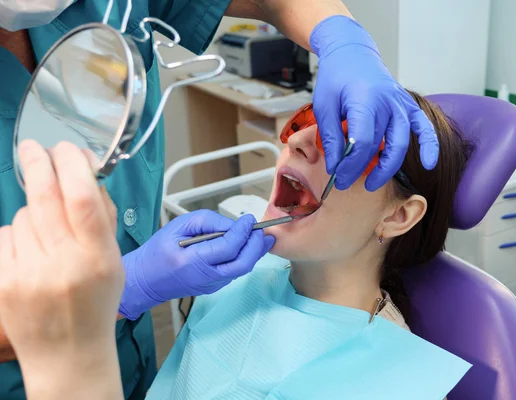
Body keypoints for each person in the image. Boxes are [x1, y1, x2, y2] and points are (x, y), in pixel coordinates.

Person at [0, 1, 440, 398]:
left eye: (346, 142)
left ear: (400, 214)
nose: (302, 139)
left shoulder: (392, 381)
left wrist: (343, 37)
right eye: (308, 118)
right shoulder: (235, 292)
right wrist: (128, 286)